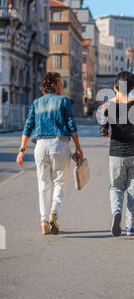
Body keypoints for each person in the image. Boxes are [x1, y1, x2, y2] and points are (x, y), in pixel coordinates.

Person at [16, 72, 83, 235]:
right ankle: (54, 212)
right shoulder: (64, 101)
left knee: (43, 185)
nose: (62, 87)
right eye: (61, 83)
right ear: (53, 85)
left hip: (40, 146)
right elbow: (71, 125)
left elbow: (28, 126)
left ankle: (44, 221)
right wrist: (78, 147)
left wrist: (22, 150)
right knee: (60, 182)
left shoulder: (36, 103)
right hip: (60, 145)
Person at [100, 71, 134, 237]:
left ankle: (116, 212)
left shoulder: (108, 106)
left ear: (115, 87)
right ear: (133, 87)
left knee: (116, 187)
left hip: (116, 154)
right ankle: (131, 227)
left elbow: (104, 131)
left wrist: (109, 132)